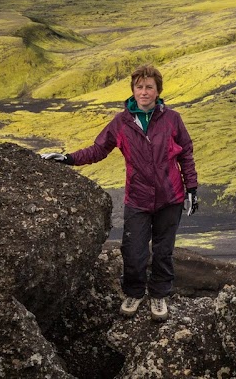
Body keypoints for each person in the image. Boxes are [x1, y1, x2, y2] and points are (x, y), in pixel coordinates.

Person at [40, 63, 198, 322]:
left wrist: (191, 188)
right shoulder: (121, 122)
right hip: (137, 198)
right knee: (133, 251)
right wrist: (67, 158)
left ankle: (159, 296)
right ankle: (134, 293)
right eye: (139, 87)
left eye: (149, 87)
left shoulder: (172, 119)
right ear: (133, 90)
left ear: (158, 90)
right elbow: (98, 150)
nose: (144, 91)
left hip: (170, 197)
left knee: (164, 250)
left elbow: (186, 154)